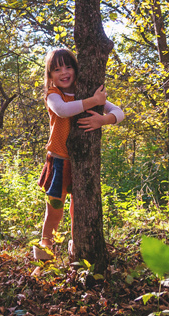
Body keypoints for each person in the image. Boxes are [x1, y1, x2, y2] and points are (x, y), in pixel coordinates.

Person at [33, 48, 124, 267]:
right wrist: (93, 102)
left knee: (80, 207)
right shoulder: (54, 94)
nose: (63, 72)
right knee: (54, 207)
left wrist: (104, 120)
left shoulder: (86, 91)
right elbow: (63, 110)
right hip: (59, 160)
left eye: (68, 67)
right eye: (57, 69)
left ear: (76, 69)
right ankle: (45, 255)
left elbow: (120, 112)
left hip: (83, 163)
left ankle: (78, 251)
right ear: (50, 75)